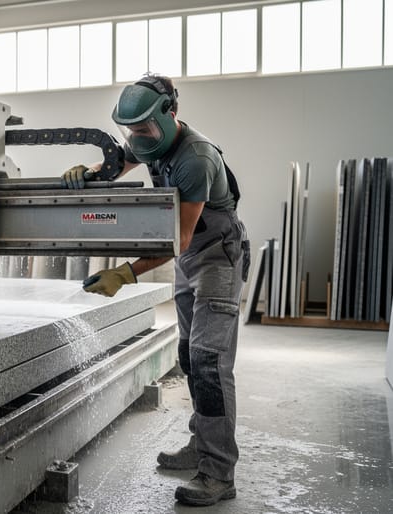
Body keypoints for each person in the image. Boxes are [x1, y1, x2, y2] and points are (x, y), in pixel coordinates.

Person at [62, 73, 250, 507]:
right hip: (188, 255)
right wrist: (85, 175)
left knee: (208, 362)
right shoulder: (145, 139)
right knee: (188, 353)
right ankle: (198, 444)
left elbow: (178, 240)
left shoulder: (196, 157)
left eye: (144, 128)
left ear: (170, 114)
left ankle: (219, 472)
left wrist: (123, 274)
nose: (137, 139)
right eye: (131, 130)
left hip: (217, 254)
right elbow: (112, 167)